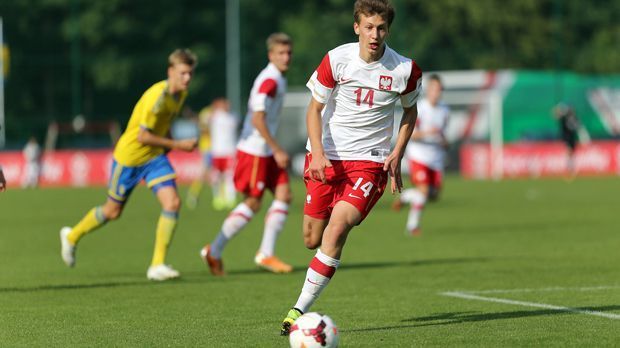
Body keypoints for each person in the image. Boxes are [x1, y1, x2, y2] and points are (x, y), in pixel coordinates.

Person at [280, 0, 422, 335]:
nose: (375, 35)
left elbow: (410, 112)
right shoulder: (337, 59)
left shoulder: (404, 69)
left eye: (382, 28)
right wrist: (317, 153)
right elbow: (314, 110)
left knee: (338, 226)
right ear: (357, 27)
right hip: (326, 157)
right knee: (310, 238)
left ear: (389, 29)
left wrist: (397, 153)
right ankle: (326, 244)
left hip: (369, 164)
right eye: (369, 27)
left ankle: (297, 310)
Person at [59, 49, 199, 281]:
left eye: (190, 74)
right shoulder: (158, 97)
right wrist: (177, 144)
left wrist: (168, 145)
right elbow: (143, 136)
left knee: (173, 202)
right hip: (130, 158)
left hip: (154, 158)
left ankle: (157, 265)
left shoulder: (180, 95)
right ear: (170, 71)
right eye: (183, 73)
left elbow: (165, 124)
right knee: (113, 211)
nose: (187, 79)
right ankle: (72, 236)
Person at [200, 33, 294, 275]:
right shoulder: (269, 81)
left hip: (265, 151)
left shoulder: (278, 79)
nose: (286, 57)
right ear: (270, 55)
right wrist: (276, 148)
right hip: (254, 151)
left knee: (284, 195)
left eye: (288, 52)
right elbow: (256, 118)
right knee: (252, 203)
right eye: (280, 53)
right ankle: (215, 250)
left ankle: (266, 253)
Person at [392, 74, 449, 235]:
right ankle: (413, 226)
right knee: (423, 191)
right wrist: (427, 133)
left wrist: (445, 142)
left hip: (436, 158)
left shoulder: (445, 110)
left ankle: (405, 197)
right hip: (419, 156)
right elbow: (412, 134)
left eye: (439, 89)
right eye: (434, 89)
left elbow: (442, 134)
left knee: (434, 195)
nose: (436, 92)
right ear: (428, 90)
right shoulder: (421, 108)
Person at [208, 98, 239, 210]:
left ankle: (230, 199)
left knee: (229, 176)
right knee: (216, 176)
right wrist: (215, 107)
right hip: (217, 151)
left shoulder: (233, 117)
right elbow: (207, 118)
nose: (227, 106)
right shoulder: (215, 116)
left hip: (230, 151)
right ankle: (217, 198)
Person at [186, 104, 213, 209]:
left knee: (211, 174)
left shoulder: (215, 113)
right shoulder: (206, 112)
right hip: (208, 148)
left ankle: (194, 194)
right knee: (204, 173)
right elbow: (203, 129)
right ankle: (193, 194)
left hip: (216, 149)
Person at [553, 102, 580, 176]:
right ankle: (569, 167)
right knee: (569, 151)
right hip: (566, 137)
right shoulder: (564, 118)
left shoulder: (574, 117)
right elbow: (555, 115)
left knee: (572, 152)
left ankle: (571, 166)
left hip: (573, 137)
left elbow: (577, 126)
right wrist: (557, 109)